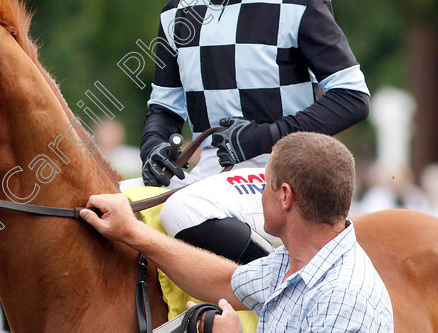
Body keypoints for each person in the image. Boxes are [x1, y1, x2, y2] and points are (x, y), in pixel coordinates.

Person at [135, 0, 370, 263]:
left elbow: (352, 98)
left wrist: (261, 137)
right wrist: (155, 145)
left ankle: (285, 289)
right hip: (211, 174)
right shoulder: (177, 12)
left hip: (284, 178)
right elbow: (164, 108)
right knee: (104, 202)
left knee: (180, 210)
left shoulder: (297, 0)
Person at [85, 132, 393, 332]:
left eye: (264, 184)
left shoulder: (344, 298)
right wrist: (133, 233)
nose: (260, 195)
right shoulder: (292, 261)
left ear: (285, 197)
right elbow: (223, 281)